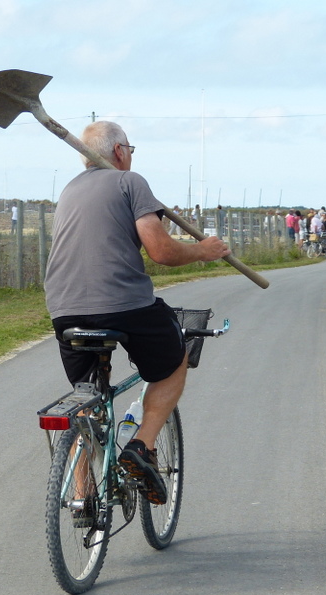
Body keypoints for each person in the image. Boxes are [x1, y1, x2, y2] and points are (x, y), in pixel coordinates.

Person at [44, 121, 230, 504]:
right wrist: (204, 251)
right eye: (130, 148)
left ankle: (83, 495)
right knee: (174, 359)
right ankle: (140, 448)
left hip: (64, 309)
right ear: (118, 152)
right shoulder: (130, 182)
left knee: (87, 399)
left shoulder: (69, 190)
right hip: (122, 305)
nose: (130, 154)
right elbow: (161, 252)